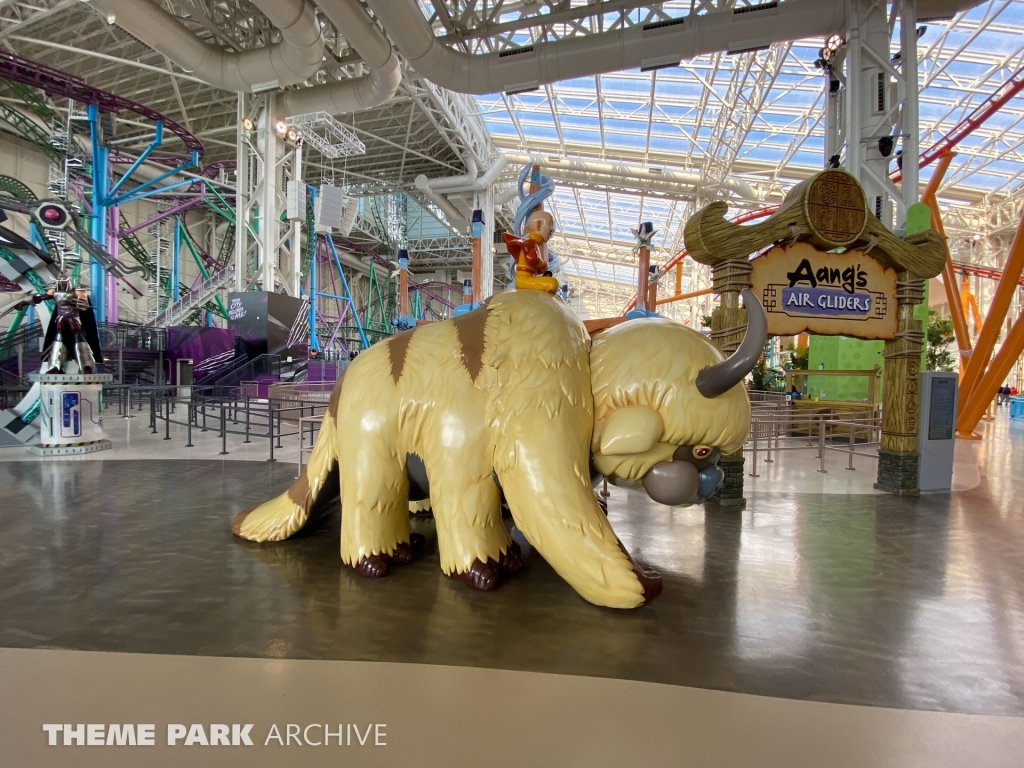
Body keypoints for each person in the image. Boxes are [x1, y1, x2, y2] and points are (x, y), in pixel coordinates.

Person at [13, 272, 102, 374]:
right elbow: (41, 298)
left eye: (64, 282)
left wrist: (72, 302)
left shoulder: (78, 291)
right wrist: (24, 302)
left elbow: (85, 306)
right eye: (60, 282)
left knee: (77, 334)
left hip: (73, 317)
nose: (62, 284)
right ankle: (56, 366)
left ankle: (86, 366)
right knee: (58, 336)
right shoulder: (55, 291)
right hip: (61, 317)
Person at [502, 210, 559, 294]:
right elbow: (531, 259)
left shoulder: (533, 243)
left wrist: (541, 268)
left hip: (527, 277)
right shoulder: (530, 243)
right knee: (552, 283)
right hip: (524, 280)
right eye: (550, 225)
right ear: (539, 225)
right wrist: (543, 264)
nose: (552, 229)